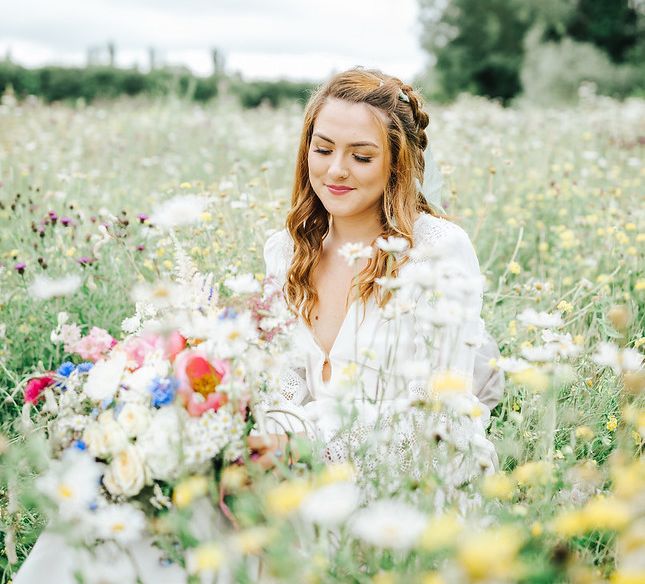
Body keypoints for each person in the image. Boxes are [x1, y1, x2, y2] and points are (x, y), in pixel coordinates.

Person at [250, 67, 504, 489]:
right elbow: (282, 383)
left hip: (413, 482)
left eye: (361, 156)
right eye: (323, 149)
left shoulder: (436, 252)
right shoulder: (285, 251)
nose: (335, 171)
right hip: (302, 475)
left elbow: (439, 414)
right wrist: (266, 436)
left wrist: (310, 445)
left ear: (396, 164)